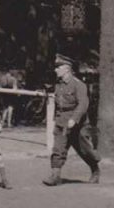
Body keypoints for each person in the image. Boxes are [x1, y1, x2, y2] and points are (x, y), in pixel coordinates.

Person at [43, 54, 101, 186]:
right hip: (61, 122)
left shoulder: (78, 85)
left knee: (84, 150)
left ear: (67, 69)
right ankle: (55, 176)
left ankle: (95, 170)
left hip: (77, 124)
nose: (55, 70)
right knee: (58, 149)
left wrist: (74, 119)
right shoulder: (59, 85)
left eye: (58, 67)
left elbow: (83, 104)